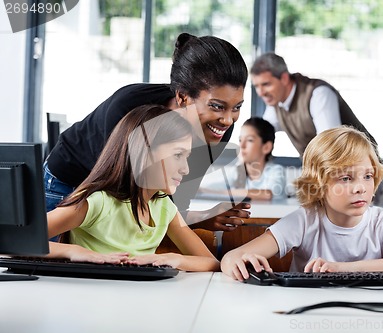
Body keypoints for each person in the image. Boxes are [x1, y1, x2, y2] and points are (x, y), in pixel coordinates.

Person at [44, 32, 250, 232]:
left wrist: (204, 216)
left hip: (116, 202)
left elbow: (172, 204)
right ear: (183, 97)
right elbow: (125, 200)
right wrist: (198, 219)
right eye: (216, 106)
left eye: (237, 107)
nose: (227, 120)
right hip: (68, 184)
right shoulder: (128, 107)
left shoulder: (216, 130)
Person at [46, 104, 219, 272]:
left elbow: (211, 262)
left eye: (186, 157)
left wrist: (174, 259)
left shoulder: (164, 207)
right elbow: (20, 239)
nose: (186, 169)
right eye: (178, 155)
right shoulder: (98, 202)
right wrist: (73, 251)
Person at [221, 126, 383, 281]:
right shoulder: (305, 220)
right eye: (346, 178)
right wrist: (233, 262)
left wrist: (343, 269)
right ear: (318, 185)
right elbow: (231, 258)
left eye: (368, 176)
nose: (360, 188)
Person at [250, 52, 376, 157]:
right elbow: (260, 133)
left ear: (284, 78)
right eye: (256, 86)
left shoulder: (318, 94)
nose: (261, 93)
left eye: (266, 84)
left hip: (362, 169)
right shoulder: (276, 102)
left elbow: (330, 146)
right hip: (329, 172)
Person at [199, 117, 286, 201]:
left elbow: (267, 194)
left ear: (266, 147)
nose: (242, 146)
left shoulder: (276, 170)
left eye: (249, 140)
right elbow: (209, 186)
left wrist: (223, 193)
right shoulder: (237, 171)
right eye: (240, 140)